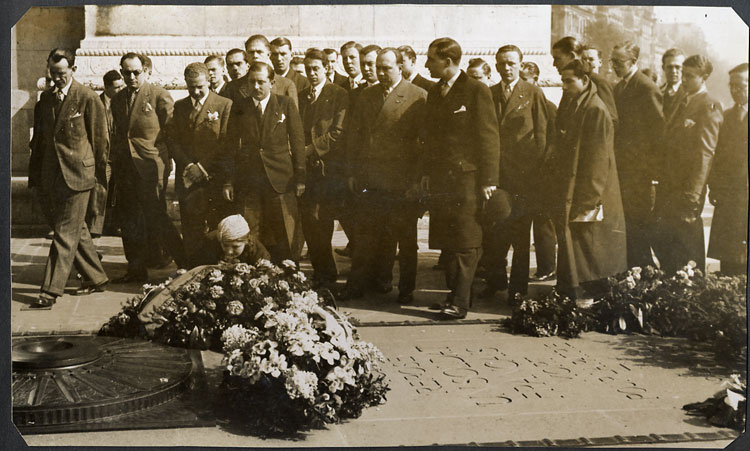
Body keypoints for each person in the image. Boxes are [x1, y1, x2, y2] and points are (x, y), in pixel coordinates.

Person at [339, 48, 427, 305]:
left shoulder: (417, 95)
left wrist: (417, 180)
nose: (381, 72)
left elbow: (423, 143)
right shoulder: (367, 95)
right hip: (371, 180)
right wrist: (352, 172)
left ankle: (406, 289)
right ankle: (357, 284)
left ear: (400, 67)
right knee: (365, 235)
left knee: (406, 240)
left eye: (386, 68)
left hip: (402, 182)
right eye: (378, 67)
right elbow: (354, 137)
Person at [422, 37, 500, 319]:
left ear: (447, 61)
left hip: (467, 180)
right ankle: (456, 296)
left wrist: (489, 180)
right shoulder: (435, 91)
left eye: (431, 59)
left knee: (466, 241)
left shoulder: (476, 90)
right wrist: (426, 173)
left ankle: (460, 302)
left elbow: (489, 137)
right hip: (442, 181)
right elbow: (430, 138)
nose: (426, 65)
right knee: (448, 240)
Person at [27, 48, 110, 308]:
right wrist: (35, 176)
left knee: (63, 233)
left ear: (73, 69)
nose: (56, 78)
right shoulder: (45, 99)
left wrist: (97, 179)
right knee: (77, 230)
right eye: (53, 72)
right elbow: (39, 141)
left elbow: (100, 142)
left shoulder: (87, 97)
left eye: (61, 73)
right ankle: (96, 277)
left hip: (79, 177)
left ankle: (50, 291)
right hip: (51, 177)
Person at [550, 60, 627, 300]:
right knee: (581, 248)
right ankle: (574, 293)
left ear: (584, 80)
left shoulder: (595, 109)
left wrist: (589, 199)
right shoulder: (579, 104)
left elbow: (598, 160)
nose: (564, 86)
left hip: (592, 192)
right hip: (580, 188)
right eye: (562, 81)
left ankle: (587, 298)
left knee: (591, 250)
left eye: (569, 81)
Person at [110, 52, 187, 283]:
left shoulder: (159, 95)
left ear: (145, 71)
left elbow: (171, 134)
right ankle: (135, 269)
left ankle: (185, 263)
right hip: (126, 168)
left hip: (151, 167)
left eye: (136, 72)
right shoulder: (117, 99)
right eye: (127, 73)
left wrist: (165, 165)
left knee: (157, 217)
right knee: (130, 220)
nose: (132, 77)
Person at [483, 45, 550, 300]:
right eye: (502, 63)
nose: (506, 68)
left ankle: (518, 289)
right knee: (494, 231)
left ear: (521, 65)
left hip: (525, 177)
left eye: (511, 63)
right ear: (496, 66)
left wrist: (539, 174)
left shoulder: (533, 92)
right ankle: (495, 280)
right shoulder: (489, 94)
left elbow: (542, 135)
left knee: (521, 237)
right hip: (498, 176)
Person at [222, 61, 306, 264]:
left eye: (261, 82)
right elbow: (230, 146)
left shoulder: (285, 104)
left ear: (271, 82)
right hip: (249, 180)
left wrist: (300, 178)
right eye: (252, 82)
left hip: (280, 179)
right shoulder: (239, 107)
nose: (256, 86)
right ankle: (250, 274)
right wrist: (228, 181)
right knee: (250, 231)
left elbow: (297, 142)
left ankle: (289, 273)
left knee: (284, 230)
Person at [655, 55, 723, 275]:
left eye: (690, 76)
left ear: (704, 77)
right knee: (666, 239)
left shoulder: (709, 105)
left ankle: (692, 286)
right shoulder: (683, 101)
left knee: (687, 243)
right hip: (670, 184)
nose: (684, 79)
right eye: (683, 75)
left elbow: (706, 153)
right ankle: (673, 284)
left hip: (687, 187)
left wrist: (694, 193)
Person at [167, 62, 233, 268]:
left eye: (200, 87)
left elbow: (225, 142)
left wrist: (202, 168)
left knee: (216, 228)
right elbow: (173, 141)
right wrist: (189, 166)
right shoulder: (180, 106)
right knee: (191, 230)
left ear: (209, 82)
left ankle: (216, 273)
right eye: (191, 87)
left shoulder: (224, 104)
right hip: (188, 178)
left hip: (213, 178)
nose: (195, 92)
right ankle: (193, 271)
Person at [297, 48, 349, 288]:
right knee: (309, 222)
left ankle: (327, 273)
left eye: (316, 68)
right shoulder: (302, 95)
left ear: (326, 68)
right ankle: (322, 272)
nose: (312, 73)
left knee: (323, 221)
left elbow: (337, 132)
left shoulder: (338, 94)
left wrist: (310, 149)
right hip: (306, 170)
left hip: (328, 170)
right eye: (308, 69)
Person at [611, 40, 664, 269]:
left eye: (619, 61)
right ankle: (632, 274)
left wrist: (652, 175)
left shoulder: (646, 88)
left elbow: (658, 134)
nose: (614, 66)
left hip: (640, 174)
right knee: (627, 227)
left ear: (633, 61)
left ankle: (645, 274)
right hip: (623, 171)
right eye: (612, 61)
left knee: (639, 228)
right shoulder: (619, 88)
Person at [708, 63, 748, 275]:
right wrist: (714, 187)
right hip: (729, 197)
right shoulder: (726, 116)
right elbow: (717, 156)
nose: (735, 90)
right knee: (729, 257)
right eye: (732, 86)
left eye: (741, 86)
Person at [520, 61, 558, 281]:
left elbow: (553, 140)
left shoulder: (547, 106)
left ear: (535, 80)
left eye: (525, 80)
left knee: (543, 223)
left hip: (543, 173)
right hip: (525, 172)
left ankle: (547, 267)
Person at [552, 36, 618, 127]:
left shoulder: (598, 82)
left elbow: (611, 120)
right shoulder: (569, 82)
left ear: (572, 56)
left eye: (557, 59)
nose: (554, 64)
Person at [223, 35, 299, 109]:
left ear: (269, 54)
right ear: (246, 56)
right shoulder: (233, 87)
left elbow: (293, 115)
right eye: (251, 52)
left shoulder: (286, 85)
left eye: (259, 52)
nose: (255, 56)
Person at [97, 70, 125, 238]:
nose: (120, 90)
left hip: (120, 155)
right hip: (104, 156)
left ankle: (116, 224)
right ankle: (97, 226)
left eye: (121, 86)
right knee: (101, 189)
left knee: (119, 190)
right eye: (116, 87)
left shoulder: (124, 102)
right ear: (106, 87)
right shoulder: (96, 103)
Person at [190, 214, 270, 266]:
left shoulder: (258, 252)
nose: (229, 251)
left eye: (235, 247)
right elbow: (196, 267)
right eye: (225, 245)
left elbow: (264, 276)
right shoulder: (210, 243)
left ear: (246, 241)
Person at [661, 48, 686, 121]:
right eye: (669, 67)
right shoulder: (657, 92)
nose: (673, 71)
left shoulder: (689, 93)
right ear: (663, 68)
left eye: (677, 67)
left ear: (684, 68)